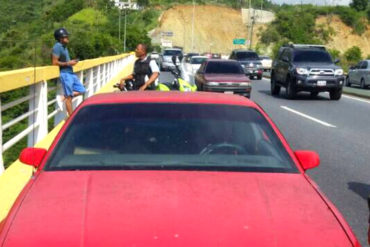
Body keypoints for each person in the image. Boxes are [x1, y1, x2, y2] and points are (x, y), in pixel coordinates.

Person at [52, 28, 86, 117]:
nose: (68, 37)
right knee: (69, 98)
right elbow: (54, 62)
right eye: (66, 36)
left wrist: (71, 62)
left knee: (82, 90)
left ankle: (62, 97)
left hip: (70, 73)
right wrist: (68, 63)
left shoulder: (64, 47)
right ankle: (71, 118)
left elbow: (64, 60)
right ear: (60, 38)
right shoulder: (57, 47)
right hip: (65, 74)